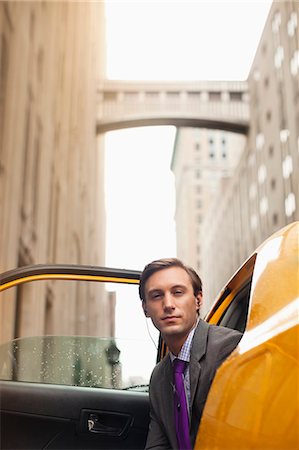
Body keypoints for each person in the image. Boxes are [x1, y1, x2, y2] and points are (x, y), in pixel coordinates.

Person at [139, 258, 242, 450]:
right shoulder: (159, 377)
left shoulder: (230, 349)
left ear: (198, 300)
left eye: (178, 292)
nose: (168, 304)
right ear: (145, 308)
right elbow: (158, 445)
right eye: (156, 296)